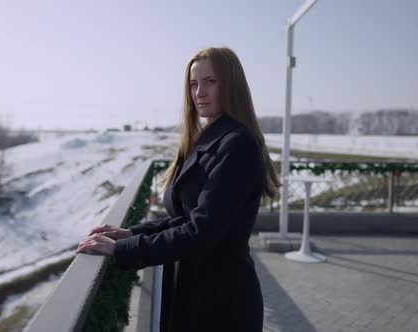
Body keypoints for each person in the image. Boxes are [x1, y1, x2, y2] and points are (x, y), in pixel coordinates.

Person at [76, 46, 281, 332]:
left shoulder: (238, 145)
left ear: (231, 84)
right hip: (196, 294)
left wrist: (124, 250)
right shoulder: (208, 138)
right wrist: (131, 233)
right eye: (194, 84)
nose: (200, 92)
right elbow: (187, 217)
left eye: (211, 81)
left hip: (222, 306)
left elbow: (201, 232)